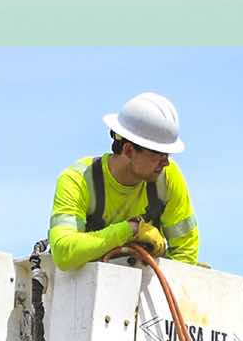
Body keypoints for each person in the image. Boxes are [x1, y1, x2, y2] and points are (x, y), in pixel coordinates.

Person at [47, 93, 200, 271]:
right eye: (158, 154)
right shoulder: (78, 180)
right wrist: (130, 230)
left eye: (167, 155)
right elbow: (63, 252)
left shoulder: (167, 177)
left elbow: (185, 253)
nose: (165, 162)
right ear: (128, 150)